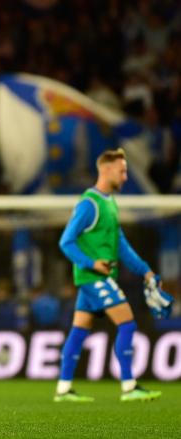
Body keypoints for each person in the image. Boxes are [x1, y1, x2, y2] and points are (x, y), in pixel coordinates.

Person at [55, 148, 161, 402]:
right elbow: (66, 242)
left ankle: (63, 389)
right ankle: (129, 386)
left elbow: (120, 245)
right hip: (94, 278)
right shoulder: (89, 204)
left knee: (79, 331)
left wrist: (144, 270)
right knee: (127, 323)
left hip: (95, 279)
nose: (125, 176)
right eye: (122, 171)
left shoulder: (109, 203)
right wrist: (91, 263)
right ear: (106, 170)